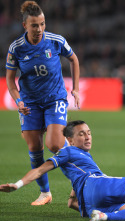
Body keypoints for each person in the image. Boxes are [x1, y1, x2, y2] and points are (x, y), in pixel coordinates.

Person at [5, 1, 80, 205]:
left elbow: (74, 59)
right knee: (35, 147)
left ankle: (79, 178)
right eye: (34, 25)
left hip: (55, 98)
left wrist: (75, 88)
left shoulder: (55, 41)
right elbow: (10, 80)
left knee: (54, 144)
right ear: (25, 26)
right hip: (30, 103)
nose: (39, 29)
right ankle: (45, 193)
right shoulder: (16, 48)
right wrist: (18, 101)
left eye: (42, 24)